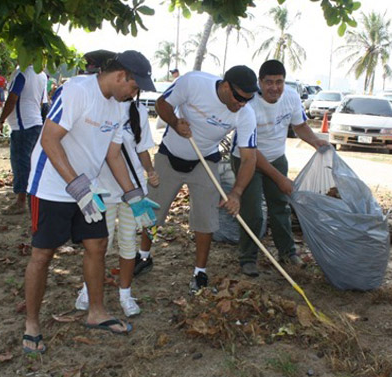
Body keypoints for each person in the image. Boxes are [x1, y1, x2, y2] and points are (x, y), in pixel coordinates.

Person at [22, 51, 158, 353]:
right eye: (135, 87)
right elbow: (49, 140)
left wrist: (134, 195)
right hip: (52, 188)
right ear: (121, 75)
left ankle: (96, 312)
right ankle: (32, 324)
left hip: (88, 188)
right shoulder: (77, 91)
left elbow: (113, 155)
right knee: (42, 254)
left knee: (97, 245)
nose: (135, 94)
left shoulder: (119, 107)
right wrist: (77, 187)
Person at [137, 65, 258, 293]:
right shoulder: (193, 83)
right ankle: (143, 256)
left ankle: (199, 272)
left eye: (248, 100)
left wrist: (237, 193)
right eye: (239, 97)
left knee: (206, 219)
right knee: (153, 211)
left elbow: (249, 158)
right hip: (170, 154)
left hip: (206, 161)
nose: (242, 104)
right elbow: (162, 103)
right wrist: (174, 122)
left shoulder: (246, 114)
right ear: (225, 86)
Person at [231, 60, 328, 277]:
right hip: (247, 160)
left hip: (277, 157)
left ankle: (287, 253)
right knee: (253, 211)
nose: (274, 87)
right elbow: (251, 151)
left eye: (279, 82)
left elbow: (300, 125)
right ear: (259, 83)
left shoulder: (291, 97)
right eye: (268, 83)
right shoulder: (249, 105)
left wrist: (315, 141)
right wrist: (279, 178)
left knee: (281, 207)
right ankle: (248, 258)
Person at [75, 97, 159, 317]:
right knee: (99, 245)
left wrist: (150, 171)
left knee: (128, 242)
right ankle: (87, 290)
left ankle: (125, 294)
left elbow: (141, 149)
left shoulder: (138, 110)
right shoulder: (96, 105)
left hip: (132, 191)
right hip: (101, 189)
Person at [0, 65, 48, 215]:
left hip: (23, 125)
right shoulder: (41, 75)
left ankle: (20, 202)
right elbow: (43, 103)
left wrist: (1, 119)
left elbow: (12, 98)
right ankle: (33, 199)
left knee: (20, 163)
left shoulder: (21, 73)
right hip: (35, 123)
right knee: (32, 163)